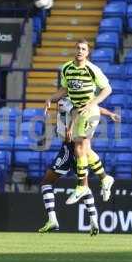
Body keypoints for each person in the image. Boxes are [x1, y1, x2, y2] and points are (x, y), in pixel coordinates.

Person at [44, 39, 114, 208]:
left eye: (84, 49)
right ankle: (105, 178)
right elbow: (65, 90)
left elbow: (107, 89)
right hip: (78, 112)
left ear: (87, 52)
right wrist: (51, 98)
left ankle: (82, 186)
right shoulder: (67, 68)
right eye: (78, 48)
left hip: (89, 111)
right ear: (74, 50)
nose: (80, 51)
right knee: (86, 149)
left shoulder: (92, 69)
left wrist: (92, 103)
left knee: (79, 147)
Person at [38, 97, 120, 236]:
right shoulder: (76, 98)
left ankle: (52, 220)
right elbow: (93, 108)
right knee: (83, 185)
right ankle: (94, 221)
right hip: (77, 144)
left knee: (46, 182)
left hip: (69, 147)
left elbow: (76, 111)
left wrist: (69, 128)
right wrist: (110, 113)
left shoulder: (68, 100)